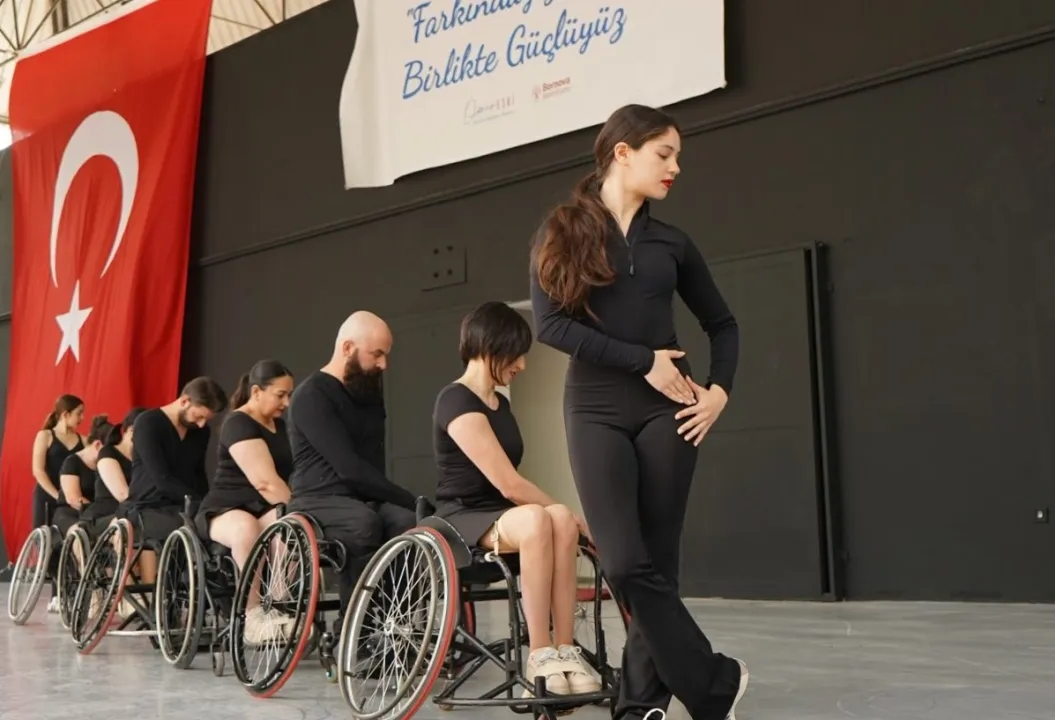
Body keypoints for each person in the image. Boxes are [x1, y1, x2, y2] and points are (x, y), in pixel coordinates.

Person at [530, 104, 747, 720]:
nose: (676, 167)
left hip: (669, 412)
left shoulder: (672, 243)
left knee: (658, 560)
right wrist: (642, 360)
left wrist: (718, 393)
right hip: (594, 409)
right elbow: (550, 326)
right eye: (665, 154)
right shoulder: (562, 230)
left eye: (677, 157)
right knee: (624, 563)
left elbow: (723, 325)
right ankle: (715, 682)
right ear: (622, 152)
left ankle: (639, 707)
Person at [432, 301, 601, 698]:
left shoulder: (501, 404)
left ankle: (565, 650)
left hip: (503, 514)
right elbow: (508, 483)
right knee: (545, 517)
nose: (522, 365)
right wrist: (568, 512)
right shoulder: (455, 400)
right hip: (463, 514)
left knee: (557, 519)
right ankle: (539, 652)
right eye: (515, 354)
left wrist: (566, 515)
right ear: (490, 347)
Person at [286, 310, 416, 618]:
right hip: (316, 499)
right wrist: (408, 496)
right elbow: (349, 468)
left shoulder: (367, 393)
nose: (383, 364)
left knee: (407, 521)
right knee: (363, 523)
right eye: (377, 354)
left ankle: (395, 620)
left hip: (359, 498)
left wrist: (409, 505)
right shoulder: (311, 395)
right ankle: (355, 626)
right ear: (347, 348)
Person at [198, 359, 295, 642]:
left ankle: (279, 605)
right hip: (225, 507)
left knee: (291, 526)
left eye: (289, 395)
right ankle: (252, 616)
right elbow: (265, 483)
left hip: (263, 507)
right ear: (256, 392)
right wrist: (299, 506)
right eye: (280, 395)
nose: (286, 403)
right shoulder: (238, 423)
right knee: (246, 527)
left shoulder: (280, 425)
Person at [122, 377, 227, 583]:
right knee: (191, 527)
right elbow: (161, 478)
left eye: (206, 419)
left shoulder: (200, 432)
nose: (201, 424)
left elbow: (198, 473)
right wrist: (197, 502)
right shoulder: (148, 423)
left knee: (217, 524)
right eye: (198, 416)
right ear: (185, 401)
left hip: (182, 506)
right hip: (147, 507)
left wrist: (208, 505)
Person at [80, 407, 143, 537]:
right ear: (131, 430)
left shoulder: (142, 459)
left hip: (128, 513)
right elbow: (122, 494)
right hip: (102, 516)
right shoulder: (108, 453)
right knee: (131, 522)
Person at [30, 394, 85, 529]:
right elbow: (38, 471)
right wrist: (58, 496)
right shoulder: (45, 436)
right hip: (47, 497)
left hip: (70, 500)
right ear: (65, 414)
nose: (82, 418)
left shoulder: (83, 440)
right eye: (79, 413)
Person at [56, 414, 114, 535]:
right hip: (70, 513)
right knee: (80, 531)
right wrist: (96, 509)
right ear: (97, 445)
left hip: (94, 514)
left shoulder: (106, 465)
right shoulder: (72, 462)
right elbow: (72, 498)